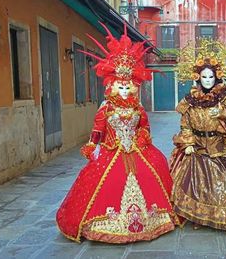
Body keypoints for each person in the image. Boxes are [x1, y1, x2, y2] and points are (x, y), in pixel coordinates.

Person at [56, 23, 178, 243]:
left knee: (149, 178)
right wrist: (93, 147)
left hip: (137, 150)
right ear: (112, 87)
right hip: (111, 151)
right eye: (119, 87)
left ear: (132, 87)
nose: (123, 91)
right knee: (104, 186)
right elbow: (97, 130)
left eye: (127, 87)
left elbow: (145, 128)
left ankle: (148, 222)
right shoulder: (106, 108)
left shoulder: (137, 108)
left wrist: (141, 138)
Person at [169, 39, 226, 230]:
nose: (208, 81)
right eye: (204, 77)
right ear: (198, 78)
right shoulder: (189, 101)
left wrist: (223, 114)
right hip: (197, 149)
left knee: (223, 185)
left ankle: (223, 216)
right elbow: (185, 124)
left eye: (211, 77)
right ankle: (199, 216)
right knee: (197, 186)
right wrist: (187, 142)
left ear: (217, 78)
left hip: (220, 148)